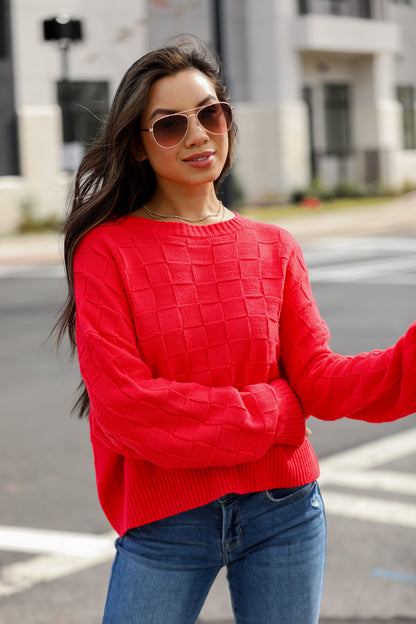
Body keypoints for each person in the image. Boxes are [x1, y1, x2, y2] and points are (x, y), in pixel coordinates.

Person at [56, 35, 416, 624]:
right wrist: (273, 412)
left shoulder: (274, 247)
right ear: (140, 148)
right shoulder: (107, 250)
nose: (199, 135)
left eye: (210, 113)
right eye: (170, 125)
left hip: (286, 513)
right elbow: (125, 409)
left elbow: (320, 382)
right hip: (167, 522)